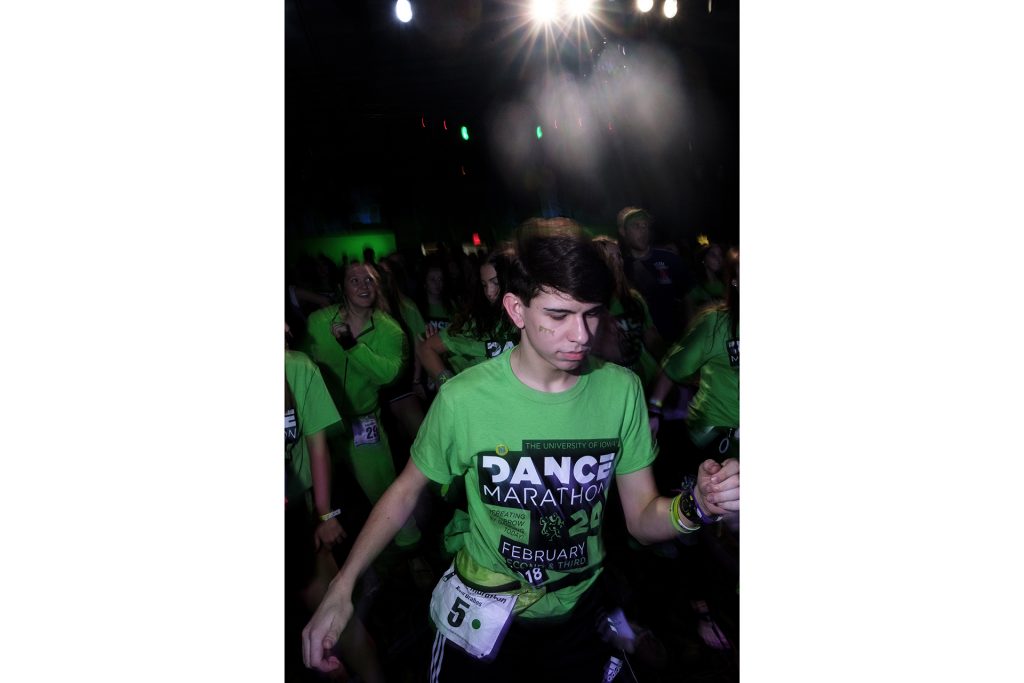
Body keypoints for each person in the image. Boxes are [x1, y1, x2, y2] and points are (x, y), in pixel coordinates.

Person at [302, 221, 739, 681]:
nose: (581, 335)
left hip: (577, 613)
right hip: (485, 610)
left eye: (591, 313)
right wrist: (342, 584)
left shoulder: (620, 390)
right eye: (558, 315)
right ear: (516, 309)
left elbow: (641, 519)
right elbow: (406, 491)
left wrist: (696, 506)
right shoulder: (465, 398)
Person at [285, 324, 385, 683]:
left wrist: (324, 513)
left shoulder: (298, 368)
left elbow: (317, 446)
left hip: (296, 516)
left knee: (335, 626)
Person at [303, 261, 422, 548]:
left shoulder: (390, 331)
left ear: (377, 286)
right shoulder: (318, 322)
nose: (362, 286)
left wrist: (352, 346)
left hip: (361, 422)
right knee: (317, 492)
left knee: (383, 489)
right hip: (319, 424)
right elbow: (302, 368)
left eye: (369, 280)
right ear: (342, 287)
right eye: (354, 280)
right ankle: (333, 554)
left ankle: (410, 548)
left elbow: (389, 374)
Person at [417, 246, 519, 387]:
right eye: (484, 285)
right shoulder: (476, 322)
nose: (489, 292)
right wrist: (448, 384)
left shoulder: (529, 314)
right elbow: (426, 349)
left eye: (495, 282)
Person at [590, 235, 665, 389]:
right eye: (611, 257)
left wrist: (667, 369)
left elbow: (651, 338)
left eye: (619, 256)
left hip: (646, 379)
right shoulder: (589, 306)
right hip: (613, 386)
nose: (618, 262)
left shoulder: (634, 298)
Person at [616, 207, 692, 344]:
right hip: (641, 347)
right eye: (636, 226)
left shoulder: (670, 259)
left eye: (645, 226)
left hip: (677, 341)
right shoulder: (620, 266)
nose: (643, 231)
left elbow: (688, 296)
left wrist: (691, 333)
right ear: (623, 232)